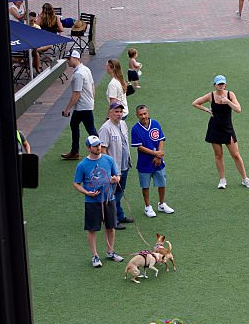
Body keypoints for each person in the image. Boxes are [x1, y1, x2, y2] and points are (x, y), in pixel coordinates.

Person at [192, 75, 249, 189]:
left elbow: (238, 109)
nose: (221, 86)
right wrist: (207, 110)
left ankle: (245, 179)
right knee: (218, 155)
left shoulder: (230, 95)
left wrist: (228, 102)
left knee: (236, 155)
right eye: (219, 84)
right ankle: (222, 180)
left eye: (222, 84)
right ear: (215, 85)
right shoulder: (210, 96)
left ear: (225, 85)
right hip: (214, 128)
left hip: (227, 129)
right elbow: (195, 103)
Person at [73, 136, 124, 268]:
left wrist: (116, 179)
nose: (98, 148)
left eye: (99, 145)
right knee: (92, 229)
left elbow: (117, 175)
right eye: (95, 146)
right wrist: (87, 192)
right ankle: (95, 256)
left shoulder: (109, 159)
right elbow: (76, 183)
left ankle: (110, 251)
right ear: (88, 148)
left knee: (111, 227)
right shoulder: (82, 165)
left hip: (109, 199)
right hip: (92, 202)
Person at [130, 104, 174, 217]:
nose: (143, 116)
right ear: (137, 115)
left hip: (158, 161)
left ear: (148, 113)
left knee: (162, 183)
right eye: (140, 114)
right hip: (144, 163)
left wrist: (159, 156)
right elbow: (139, 147)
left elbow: (161, 140)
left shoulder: (155, 124)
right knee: (145, 186)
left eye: (145, 113)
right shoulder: (135, 129)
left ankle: (161, 204)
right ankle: (147, 207)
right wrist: (155, 153)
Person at [98, 103, 133, 227]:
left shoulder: (123, 124)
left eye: (120, 112)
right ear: (110, 113)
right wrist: (110, 169)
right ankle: (112, 220)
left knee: (120, 192)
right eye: (116, 111)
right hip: (114, 169)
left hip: (124, 165)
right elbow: (103, 150)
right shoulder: (105, 128)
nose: (119, 114)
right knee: (112, 195)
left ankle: (119, 215)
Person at [60, 51, 97, 161]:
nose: (67, 61)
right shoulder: (86, 69)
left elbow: (76, 94)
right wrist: (92, 100)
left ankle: (98, 149)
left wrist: (67, 109)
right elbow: (92, 86)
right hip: (86, 104)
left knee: (89, 129)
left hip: (82, 106)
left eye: (69, 59)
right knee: (77, 125)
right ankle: (75, 151)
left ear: (76, 58)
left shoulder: (78, 74)